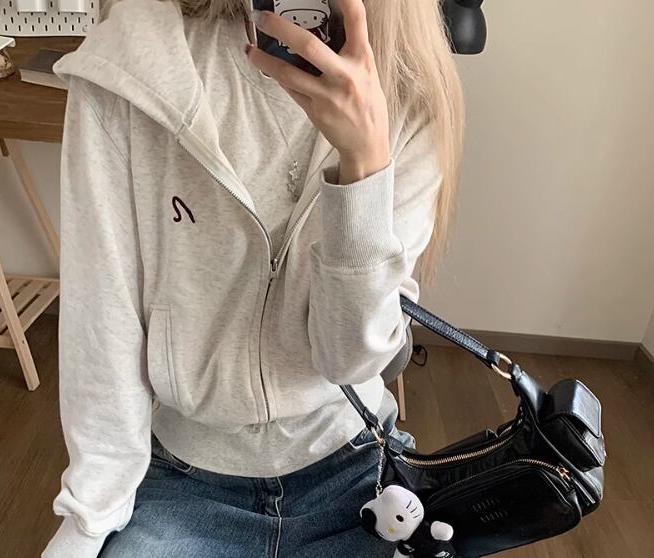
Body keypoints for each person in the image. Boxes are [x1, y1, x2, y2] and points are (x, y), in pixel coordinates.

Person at [41, 0, 464, 556]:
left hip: (358, 474)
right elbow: (103, 318)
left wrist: (363, 163)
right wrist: (89, 515)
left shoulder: (407, 90)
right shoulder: (130, 66)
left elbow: (348, 359)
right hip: (182, 485)